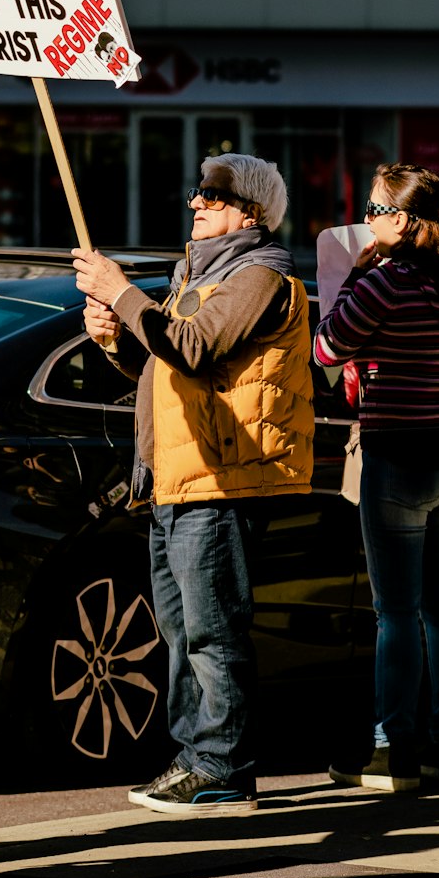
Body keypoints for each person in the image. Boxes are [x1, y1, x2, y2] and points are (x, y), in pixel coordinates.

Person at [73, 152, 314, 814]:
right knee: (182, 632)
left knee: (211, 631)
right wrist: (116, 343)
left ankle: (222, 766)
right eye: (198, 192)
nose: (196, 203)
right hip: (175, 478)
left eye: (214, 195)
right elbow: (168, 372)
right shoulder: (194, 275)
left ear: (252, 213)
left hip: (219, 478)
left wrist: (122, 291)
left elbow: (194, 348)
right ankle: (193, 759)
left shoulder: (259, 273)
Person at [315, 163, 439, 793]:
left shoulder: (384, 283)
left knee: (397, 612)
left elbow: (326, 349)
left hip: (401, 458)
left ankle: (395, 751)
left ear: (409, 221)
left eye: (380, 210)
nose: (369, 222)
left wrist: (355, 278)